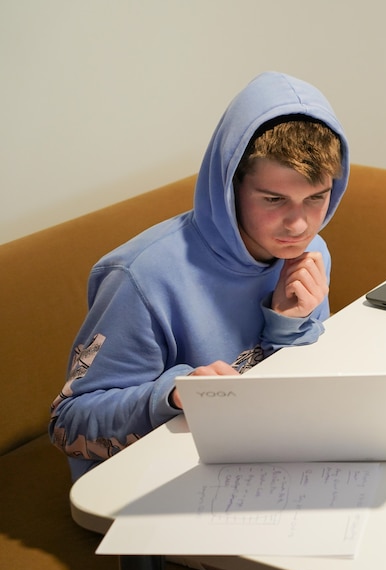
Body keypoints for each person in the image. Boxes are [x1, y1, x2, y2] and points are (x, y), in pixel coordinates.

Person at [50, 72, 350, 482]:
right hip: (147, 486)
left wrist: (288, 327)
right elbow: (69, 425)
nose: (299, 225)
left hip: (258, 462)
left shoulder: (311, 254)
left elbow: (289, 396)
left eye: (316, 198)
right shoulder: (141, 278)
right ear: (229, 187)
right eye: (274, 199)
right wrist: (175, 393)